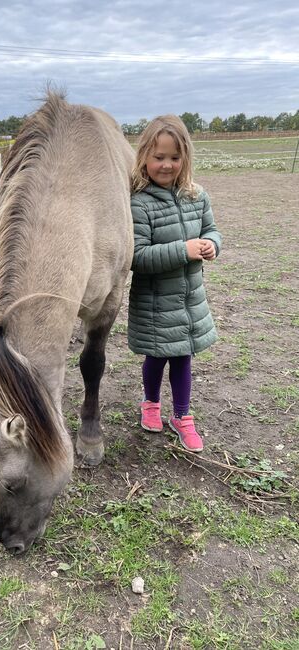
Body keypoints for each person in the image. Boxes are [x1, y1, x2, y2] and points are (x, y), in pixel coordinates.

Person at [128, 115, 222, 452]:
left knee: (183, 357)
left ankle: (183, 416)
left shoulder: (197, 195)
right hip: (154, 301)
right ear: (145, 158)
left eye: (174, 157)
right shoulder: (139, 203)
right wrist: (182, 250)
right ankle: (151, 402)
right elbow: (136, 256)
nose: (166, 165)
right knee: (156, 357)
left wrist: (213, 244)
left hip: (189, 297)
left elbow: (211, 229)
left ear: (186, 158)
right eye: (159, 157)